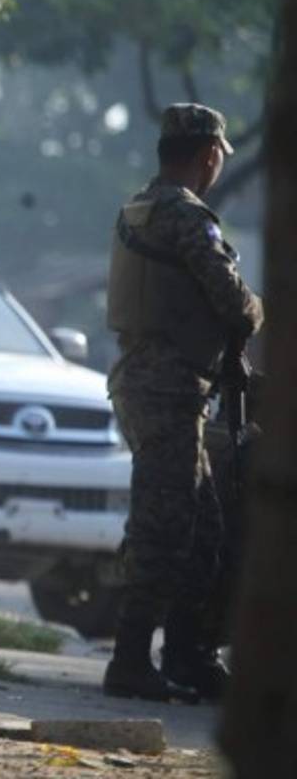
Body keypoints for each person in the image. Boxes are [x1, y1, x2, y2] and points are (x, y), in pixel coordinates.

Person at [103, 102, 264, 703]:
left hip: (149, 381)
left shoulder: (142, 205)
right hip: (167, 387)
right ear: (210, 156)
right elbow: (232, 301)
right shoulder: (187, 216)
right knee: (166, 526)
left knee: (200, 525)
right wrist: (259, 309)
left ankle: (187, 656)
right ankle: (130, 660)